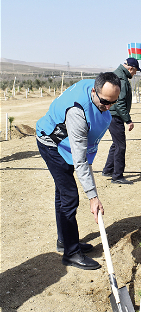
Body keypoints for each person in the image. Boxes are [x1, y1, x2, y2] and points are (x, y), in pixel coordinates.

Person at [36, 72, 121, 270]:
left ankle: (64, 241)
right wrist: (93, 196)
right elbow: (80, 160)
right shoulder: (77, 113)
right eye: (104, 102)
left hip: (65, 143)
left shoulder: (100, 88)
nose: (108, 107)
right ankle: (71, 253)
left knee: (63, 193)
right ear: (94, 90)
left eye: (113, 103)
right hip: (51, 143)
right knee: (70, 196)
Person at [102, 58, 141, 184]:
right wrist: (128, 120)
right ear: (131, 68)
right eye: (135, 71)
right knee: (120, 145)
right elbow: (119, 103)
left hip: (111, 114)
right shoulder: (122, 80)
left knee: (116, 143)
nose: (134, 74)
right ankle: (117, 176)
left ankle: (108, 170)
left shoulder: (116, 75)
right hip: (115, 116)